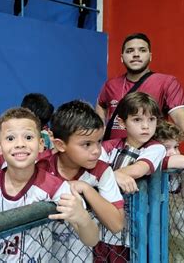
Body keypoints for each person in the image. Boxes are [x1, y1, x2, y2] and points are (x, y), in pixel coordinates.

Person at [0, 107, 99, 262]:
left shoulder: (57, 188)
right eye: (10, 138)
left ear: (41, 144)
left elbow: (92, 239)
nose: (20, 144)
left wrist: (82, 217)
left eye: (28, 137)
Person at [96, 32, 184, 168]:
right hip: (113, 156)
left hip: (150, 158)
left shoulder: (166, 82)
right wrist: (100, 132)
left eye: (142, 50)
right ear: (122, 58)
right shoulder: (111, 85)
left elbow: (180, 117)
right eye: (130, 51)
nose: (136, 54)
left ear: (150, 56)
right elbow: (101, 105)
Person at [41, 100, 125, 262]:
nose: (96, 151)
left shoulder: (102, 170)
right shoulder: (40, 167)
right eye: (86, 144)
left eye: (99, 141)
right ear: (60, 144)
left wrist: (86, 188)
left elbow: (117, 224)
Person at [98, 92, 166, 262]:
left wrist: (110, 175)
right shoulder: (108, 146)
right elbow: (93, 172)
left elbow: (138, 169)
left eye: (151, 119)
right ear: (122, 122)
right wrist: (113, 177)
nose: (146, 126)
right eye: (137, 120)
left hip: (134, 227)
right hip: (101, 223)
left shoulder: (156, 148)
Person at [155, 120, 184, 233]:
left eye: (176, 147)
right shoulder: (150, 165)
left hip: (161, 217)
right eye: (166, 148)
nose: (173, 153)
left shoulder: (174, 169)